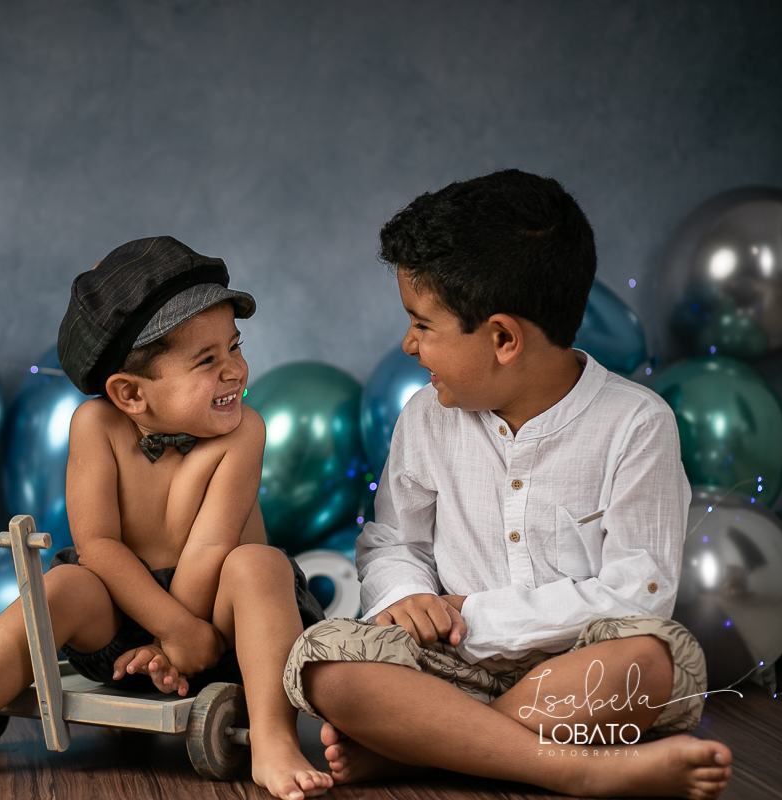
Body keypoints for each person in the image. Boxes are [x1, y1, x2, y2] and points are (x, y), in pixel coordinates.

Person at [282, 170, 734, 800]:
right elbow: (392, 541)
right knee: (325, 660)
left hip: (572, 675)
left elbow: (639, 593)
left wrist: (474, 614)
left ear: (502, 338)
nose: (408, 345)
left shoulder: (636, 424)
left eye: (422, 324)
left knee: (649, 660)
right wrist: (409, 595)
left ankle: (430, 747)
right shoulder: (426, 417)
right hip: (447, 667)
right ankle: (571, 768)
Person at [0, 236, 331, 800]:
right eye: (208, 361)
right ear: (130, 395)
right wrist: (165, 628)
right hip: (131, 615)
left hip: (223, 624)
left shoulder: (243, 432)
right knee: (65, 582)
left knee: (257, 565)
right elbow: (98, 545)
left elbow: (210, 550)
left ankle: (272, 739)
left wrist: (182, 638)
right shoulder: (95, 426)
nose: (236, 371)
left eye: (234, 347)